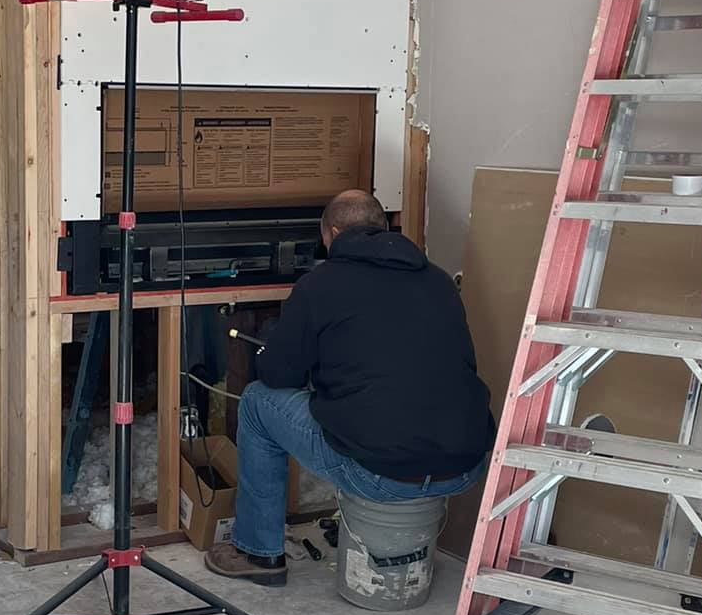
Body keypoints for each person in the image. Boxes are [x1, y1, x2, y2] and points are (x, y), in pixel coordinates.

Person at [207, 190, 493, 587]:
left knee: (257, 403)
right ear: (385, 228)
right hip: (465, 466)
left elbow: (278, 376)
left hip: (382, 473)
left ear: (333, 234)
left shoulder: (319, 285)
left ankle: (258, 551)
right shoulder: (439, 280)